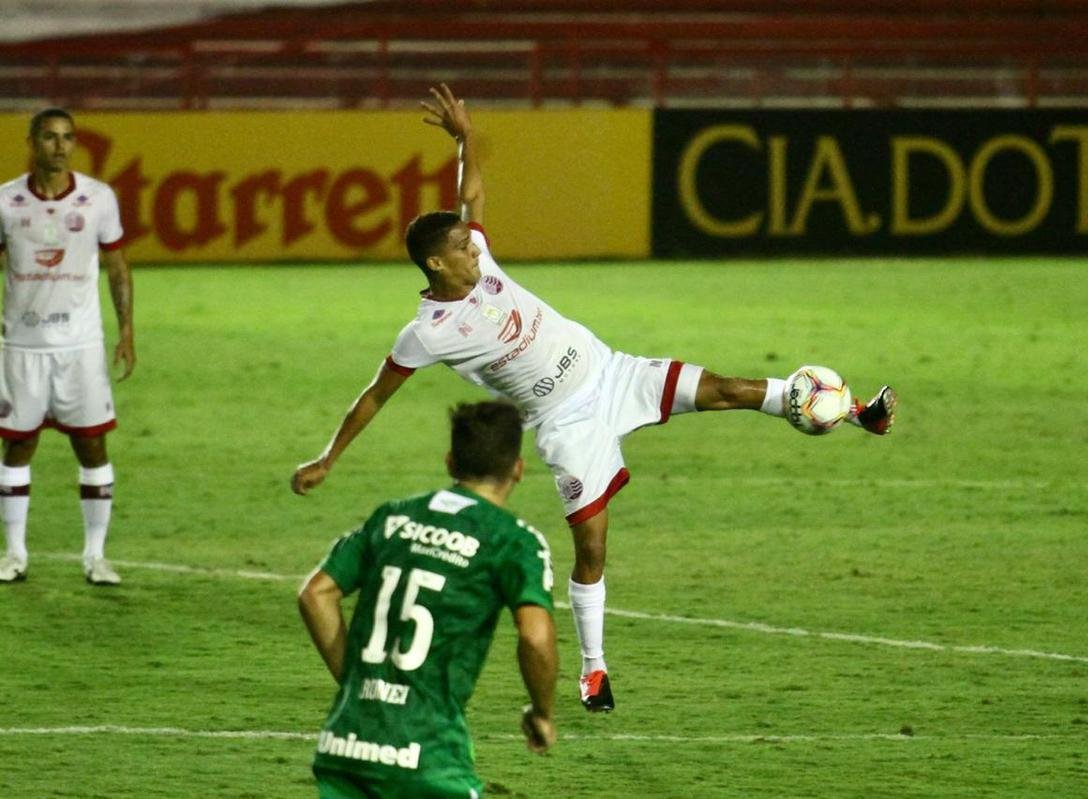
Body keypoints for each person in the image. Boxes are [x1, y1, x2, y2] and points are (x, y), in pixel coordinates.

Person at [293, 84, 895, 713]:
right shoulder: (427, 333)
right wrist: (329, 458)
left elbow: (470, 193)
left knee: (729, 388)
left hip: (612, 373)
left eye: (474, 244)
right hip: (565, 424)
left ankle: (858, 413)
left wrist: (465, 137)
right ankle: (594, 669)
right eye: (463, 251)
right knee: (593, 550)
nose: (476, 249)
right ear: (436, 266)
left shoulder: (479, 254)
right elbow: (374, 396)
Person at [298, 400, 558, 799]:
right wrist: (541, 712)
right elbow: (536, 637)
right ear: (517, 469)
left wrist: (355, 677)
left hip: (345, 742)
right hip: (426, 756)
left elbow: (316, 594)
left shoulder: (392, 517)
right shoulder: (513, 541)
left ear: (451, 462)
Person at [0, 107, 135, 586]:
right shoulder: (6, 201)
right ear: (33, 142)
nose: (60, 145)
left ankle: (95, 557)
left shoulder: (98, 199)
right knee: (17, 447)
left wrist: (125, 331)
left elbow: (117, 267)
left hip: (80, 347)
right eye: (50, 137)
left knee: (92, 443)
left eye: (67, 138)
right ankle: (14, 553)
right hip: (22, 345)